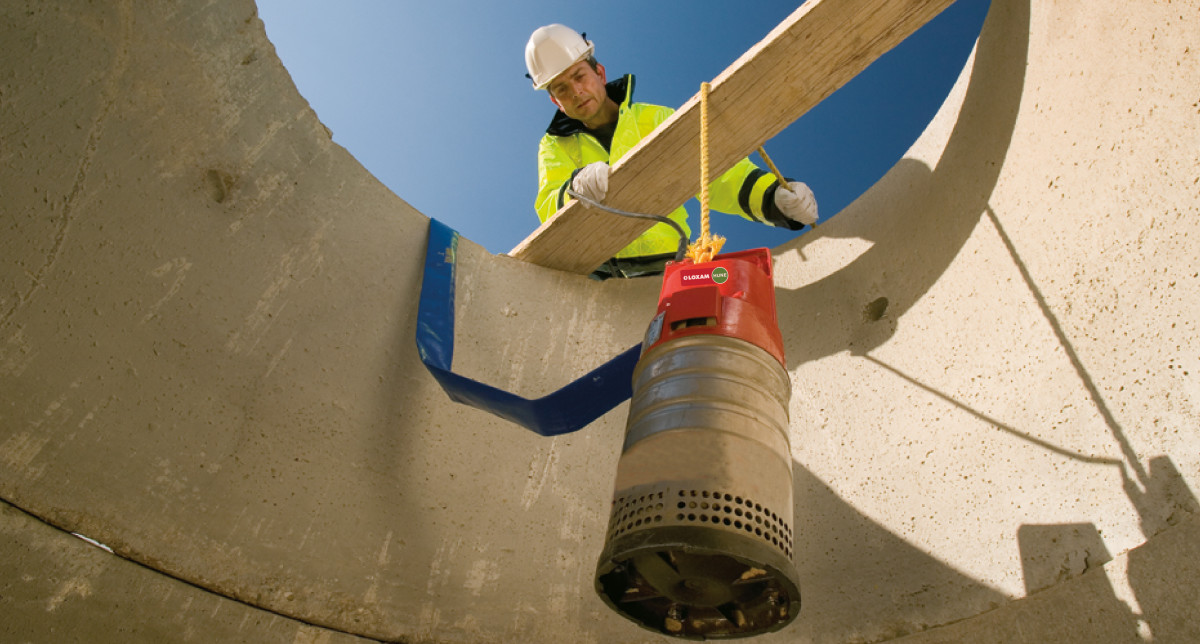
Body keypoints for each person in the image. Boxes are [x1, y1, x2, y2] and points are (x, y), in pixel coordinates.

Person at [525, 24, 819, 279]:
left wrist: (773, 200)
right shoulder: (553, 145)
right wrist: (574, 189)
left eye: (579, 76)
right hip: (599, 276)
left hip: (666, 266)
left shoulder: (653, 120)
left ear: (599, 73)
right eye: (561, 88)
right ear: (556, 102)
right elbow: (549, 206)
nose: (575, 91)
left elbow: (717, 174)